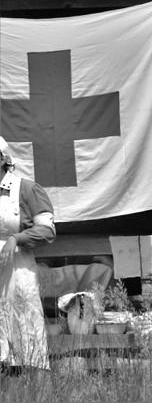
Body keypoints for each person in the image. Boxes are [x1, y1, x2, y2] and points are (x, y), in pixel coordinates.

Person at [0, 136, 55, 371]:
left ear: (2, 159)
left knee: (25, 329)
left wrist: (16, 238)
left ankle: (33, 391)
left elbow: (47, 230)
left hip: (18, 269)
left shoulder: (27, 189)